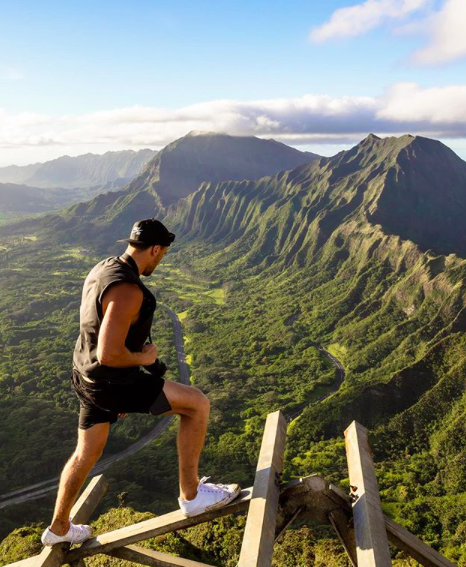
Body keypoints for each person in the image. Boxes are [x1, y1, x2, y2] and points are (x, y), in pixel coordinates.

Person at [41, 218, 241, 547]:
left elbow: (94, 334)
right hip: (110, 381)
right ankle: (191, 496)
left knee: (85, 453)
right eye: (161, 255)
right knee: (196, 405)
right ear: (155, 249)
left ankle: (59, 528)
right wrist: (144, 360)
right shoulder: (129, 290)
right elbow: (108, 354)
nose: (160, 261)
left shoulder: (102, 268)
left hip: (85, 376)